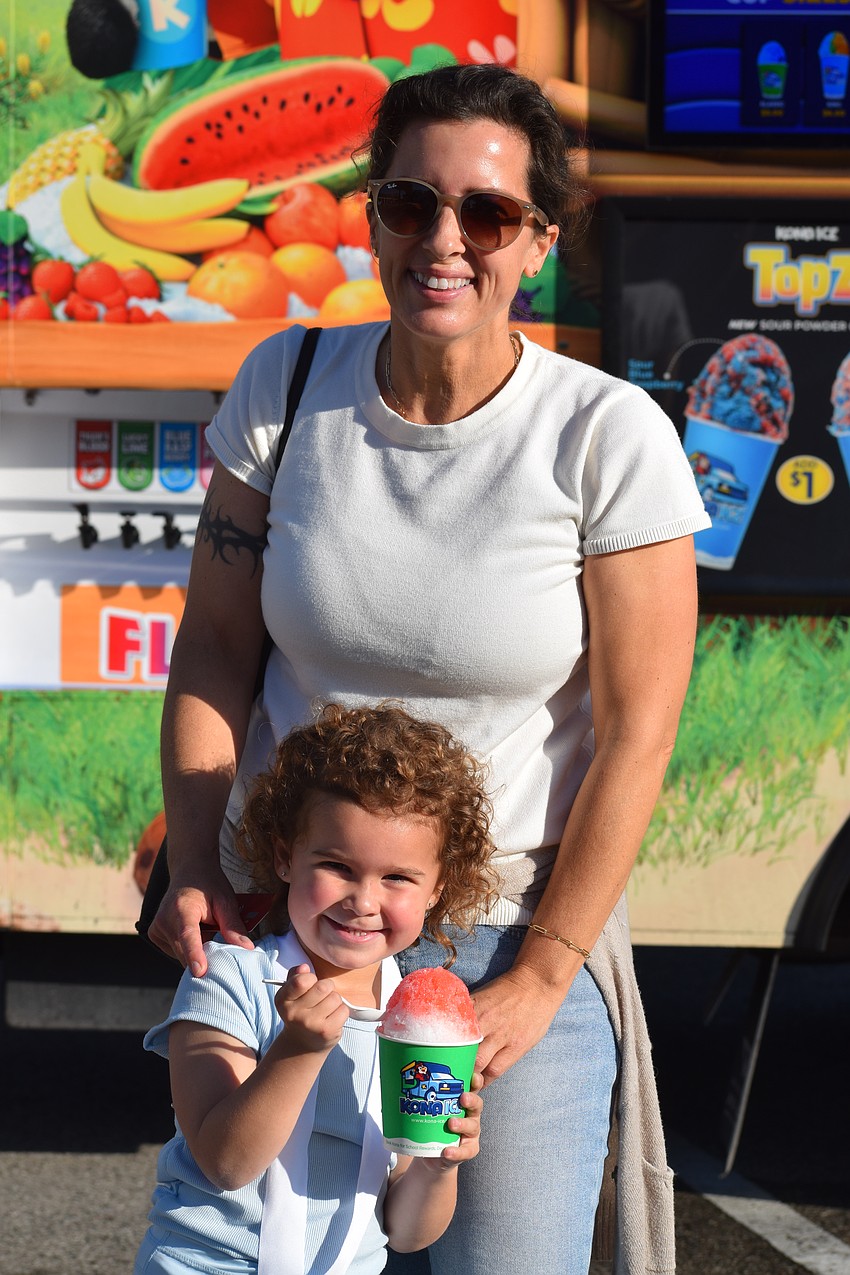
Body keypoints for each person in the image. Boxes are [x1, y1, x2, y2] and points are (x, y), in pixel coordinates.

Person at [148, 62, 711, 1275]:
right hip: (292, 925)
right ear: (371, 215)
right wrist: (196, 861)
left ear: (539, 240)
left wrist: (545, 977)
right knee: (269, 1251)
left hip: (507, 938)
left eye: (489, 214)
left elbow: (638, 731)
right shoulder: (287, 390)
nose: (444, 240)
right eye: (411, 203)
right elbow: (215, 648)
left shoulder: (607, 436)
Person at [136, 702, 492, 1275]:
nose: (364, 900)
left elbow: (404, 1233)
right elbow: (226, 1161)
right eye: (337, 866)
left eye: (397, 877)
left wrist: (437, 1165)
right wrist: (295, 1052)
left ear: (436, 890)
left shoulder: (411, 1019)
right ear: (285, 857)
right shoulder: (230, 979)